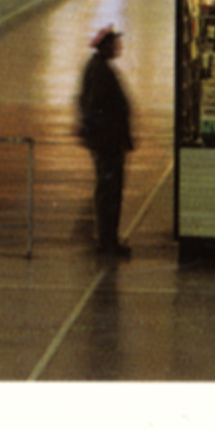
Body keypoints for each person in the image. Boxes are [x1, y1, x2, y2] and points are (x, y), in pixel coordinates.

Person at [77, 26, 135, 258]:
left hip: (109, 142)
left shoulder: (99, 69)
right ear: (105, 46)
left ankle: (108, 238)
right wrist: (106, 138)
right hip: (107, 144)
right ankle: (107, 240)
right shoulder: (99, 72)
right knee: (109, 191)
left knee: (109, 190)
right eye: (115, 44)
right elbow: (94, 108)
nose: (119, 48)